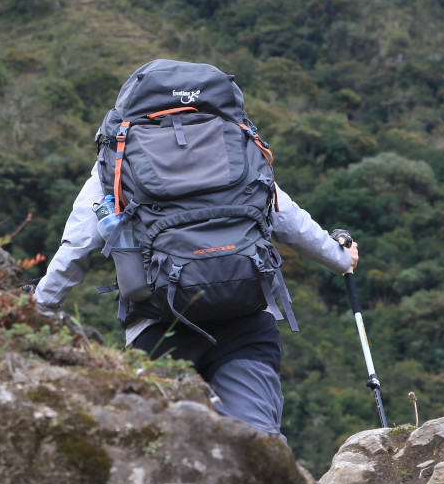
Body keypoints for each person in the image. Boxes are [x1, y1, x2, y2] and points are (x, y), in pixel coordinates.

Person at [33, 155, 359, 440]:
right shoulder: (236, 147)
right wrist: (340, 257)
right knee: (257, 445)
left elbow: (77, 248)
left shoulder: (121, 155)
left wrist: (39, 309)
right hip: (244, 320)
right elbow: (287, 218)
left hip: (158, 326)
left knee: (157, 445)